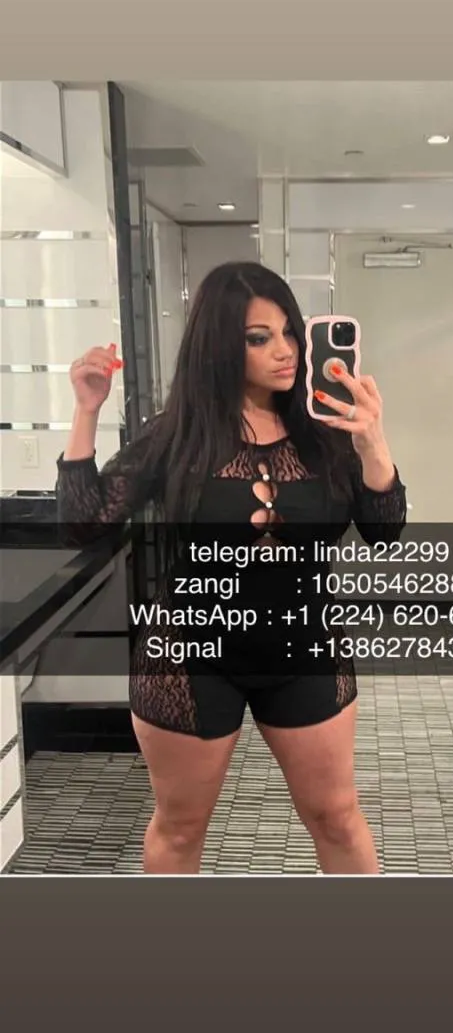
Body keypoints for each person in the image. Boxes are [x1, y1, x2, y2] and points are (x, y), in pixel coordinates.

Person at [56, 261, 406, 875]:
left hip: (304, 649)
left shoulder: (326, 434)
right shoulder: (177, 436)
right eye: (259, 338)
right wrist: (86, 411)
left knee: (338, 817)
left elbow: (384, 530)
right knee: (181, 829)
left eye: (290, 332)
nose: (286, 350)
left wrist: (373, 443)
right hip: (191, 657)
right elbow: (85, 522)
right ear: (219, 345)